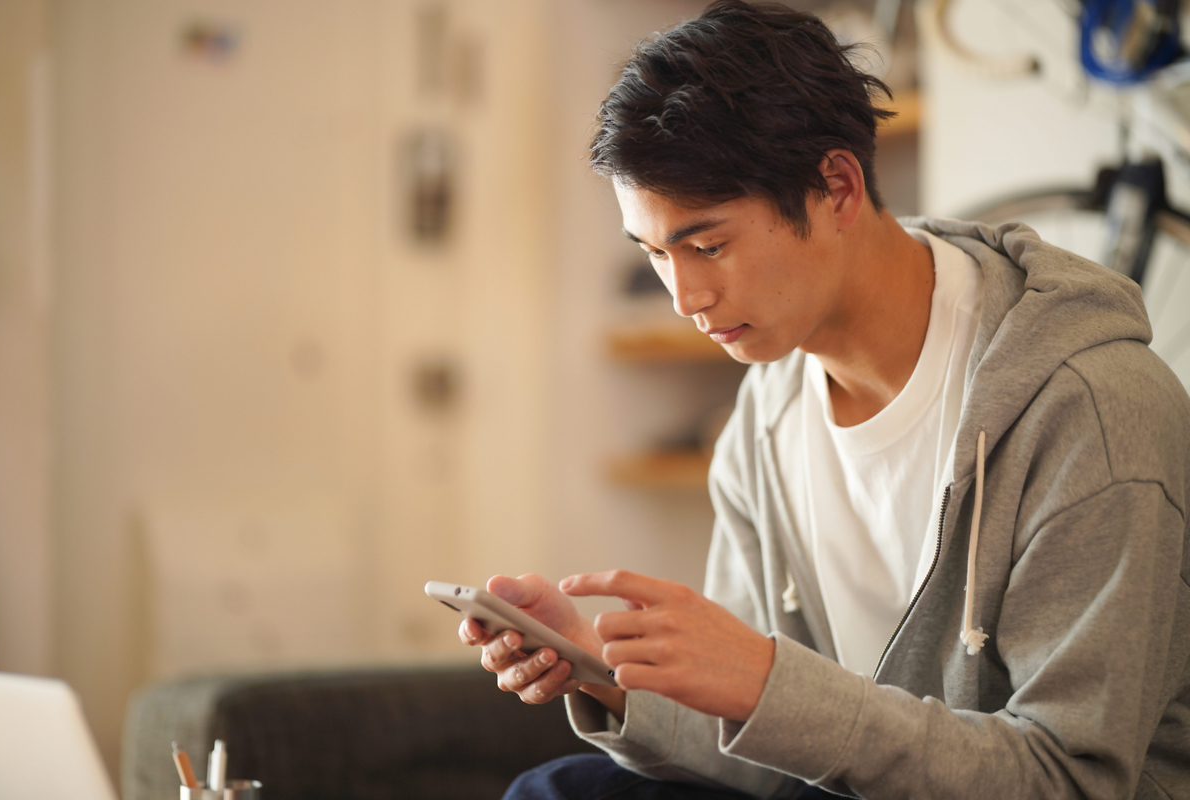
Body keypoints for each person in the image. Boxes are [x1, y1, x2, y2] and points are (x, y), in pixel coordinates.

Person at [458, 2, 1190, 797]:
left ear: (836, 186)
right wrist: (609, 674)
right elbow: (767, 744)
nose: (685, 296)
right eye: (655, 254)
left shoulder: (1087, 407)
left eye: (708, 246)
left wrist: (766, 682)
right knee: (561, 792)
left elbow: (1068, 779)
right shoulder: (766, 419)